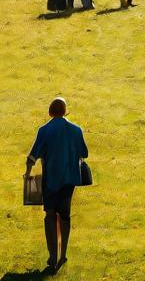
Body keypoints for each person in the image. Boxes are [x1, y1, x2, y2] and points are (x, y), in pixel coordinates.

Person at [24, 97, 89, 275]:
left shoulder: (44, 130)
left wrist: (28, 174)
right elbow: (85, 153)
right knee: (65, 215)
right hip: (69, 179)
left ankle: (52, 255)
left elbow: (32, 156)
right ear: (65, 111)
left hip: (51, 179)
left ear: (50, 111)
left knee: (50, 215)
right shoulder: (76, 130)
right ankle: (63, 253)